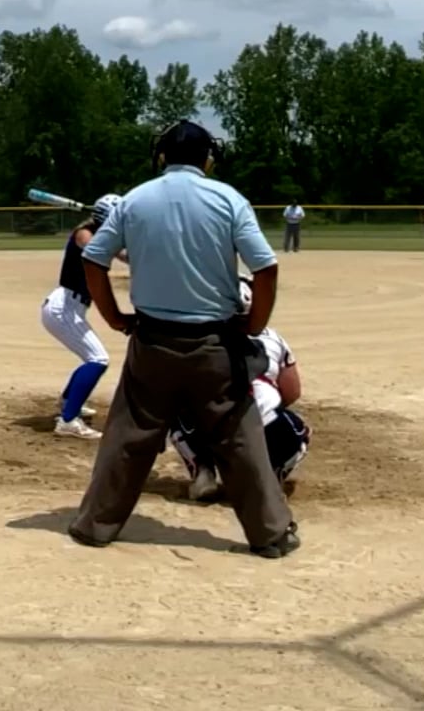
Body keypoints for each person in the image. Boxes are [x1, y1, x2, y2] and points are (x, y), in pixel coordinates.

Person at [69, 119, 299, 559]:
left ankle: (95, 526)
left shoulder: (135, 199)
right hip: (216, 343)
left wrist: (115, 318)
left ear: (161, 157)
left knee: (127, 435)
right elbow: (266, 267)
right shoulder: (228, 199)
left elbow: (93, 258)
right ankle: (270, 534)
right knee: (239, 437)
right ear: (207, 158)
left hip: (152, 340)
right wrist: (254, 324)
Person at [170, 275, 310, 502]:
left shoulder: (198, 338)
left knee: (179, 410)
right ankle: (271, 477)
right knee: (298, 430)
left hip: (210, 425)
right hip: (264, 425)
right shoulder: (274, 338)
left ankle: (203, 472)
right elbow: (292, 392)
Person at [39, 193, 124, 440]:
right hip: (63, 308)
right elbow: (97, 251)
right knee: (98, 359)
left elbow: (124, 255)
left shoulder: (99, 234)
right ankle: (67, 421)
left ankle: (68, 402)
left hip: (72, 308)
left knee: (92, 358)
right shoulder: (84, 234)